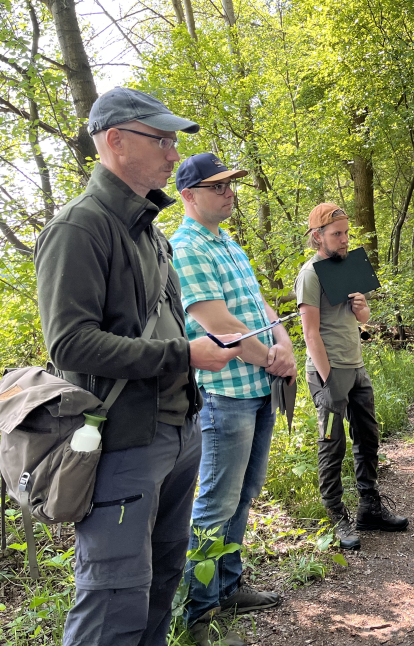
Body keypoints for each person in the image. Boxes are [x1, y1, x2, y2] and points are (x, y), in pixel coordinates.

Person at [34, 87, 243, 646]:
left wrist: (195, 355)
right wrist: (185, 354)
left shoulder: (150, 231)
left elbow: (164, 325)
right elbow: (70, 344)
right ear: (117, 141)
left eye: (174, 141)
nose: (174, 154)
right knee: (113, 598)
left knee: (162, 578)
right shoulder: (79, 228)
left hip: (178, 430)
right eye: (163, 140)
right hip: (123, 443)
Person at [170, 153, 298, 646]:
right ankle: (198, 612)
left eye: (231, 185)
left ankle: (227, 586)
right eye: (218, 186)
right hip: (225, 394)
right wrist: (271, 359)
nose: (230, 193)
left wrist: (284, 343)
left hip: (257, 389)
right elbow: (216, 323)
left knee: (243, 494)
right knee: (215, 502)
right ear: (188, 195)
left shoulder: (227, 242)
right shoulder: (186, 247)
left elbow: (259, 304)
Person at [294, 203, 409, 550]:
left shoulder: (345, 266)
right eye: (337, 234)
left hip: (356, 368)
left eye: (346, 233)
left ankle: (369, 508)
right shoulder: (311, 274)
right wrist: (328, 380)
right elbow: (310, 333)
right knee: (332, 443)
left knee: (368, 437)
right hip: (328, 373)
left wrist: (363, 310)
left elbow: (363, 319)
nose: (344, 240)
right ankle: (335, 515)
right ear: (318, 237)